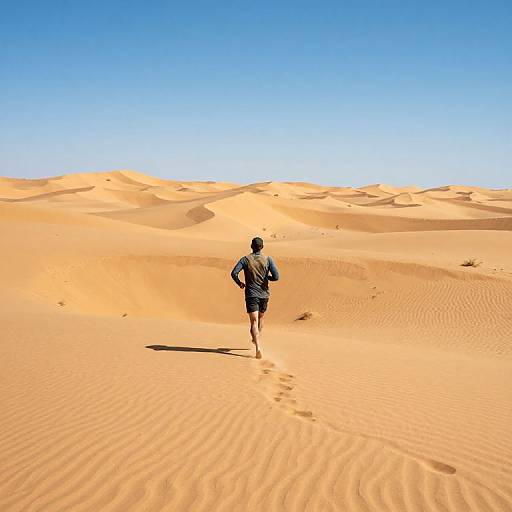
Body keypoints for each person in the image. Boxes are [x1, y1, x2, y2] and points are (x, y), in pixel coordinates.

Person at [231, 237, 280, 359]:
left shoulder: (245, 259)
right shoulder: (268, 259)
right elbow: (276, 276)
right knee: (261, 318)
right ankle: (256, 338)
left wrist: (240, 283)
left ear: (251, 246)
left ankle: (257, 347)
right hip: (264, 294)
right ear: (262, 247)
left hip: (251, 294)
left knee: (253, 321)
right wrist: (267, 278)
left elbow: (233, 273)